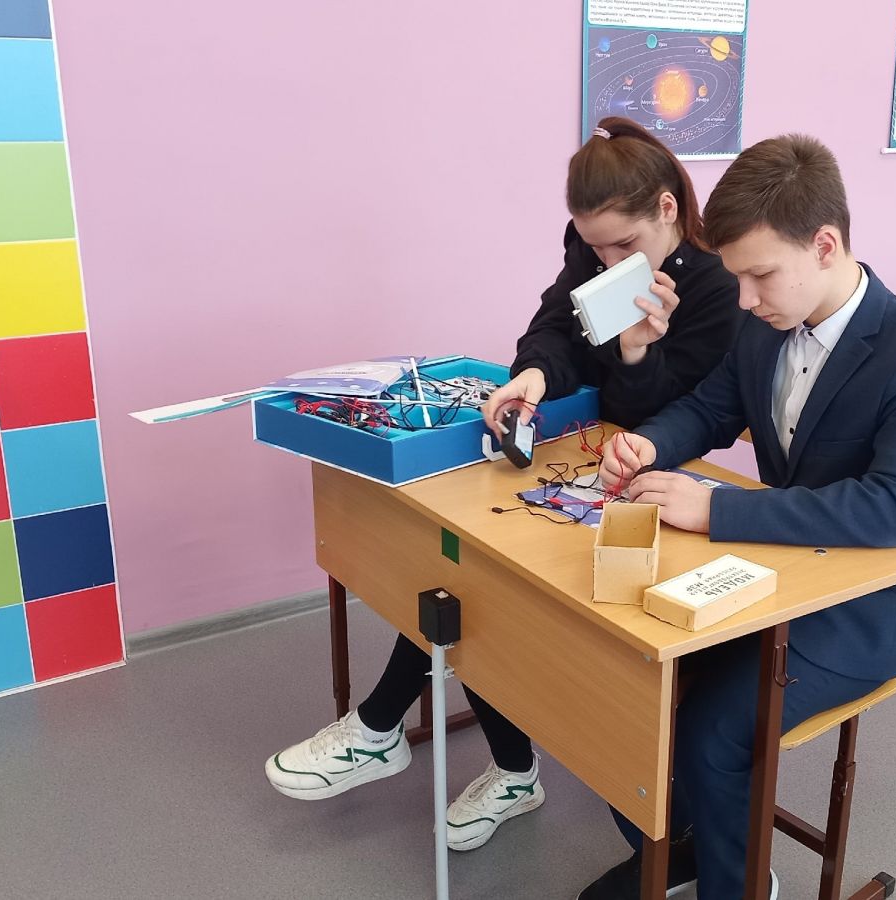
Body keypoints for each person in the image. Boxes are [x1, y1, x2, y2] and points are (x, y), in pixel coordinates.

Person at [266, 116, 744, 855]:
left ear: (667, 209)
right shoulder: (593, 249)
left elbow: (685, 418)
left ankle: (397, 732)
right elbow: (556, 323)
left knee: (478, 586)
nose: (606, 261)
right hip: (585, 452)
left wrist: (635, 354)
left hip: (657, 473)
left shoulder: (714, 287)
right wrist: (534, 375)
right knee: (464, 566)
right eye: (593, 247)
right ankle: (476, 758)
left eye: (623, 245)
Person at [581, 134, 896, 899]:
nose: (745, 298)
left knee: (711, 727)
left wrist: (717, 507)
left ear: (824, 245)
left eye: (759, 275)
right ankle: (687, 841)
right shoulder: (763, 327)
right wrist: (650, 443)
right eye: (737, 277)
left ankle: (739, 880)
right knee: (620, 675)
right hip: (773, 571)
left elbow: (894, 507)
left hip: (866, 603)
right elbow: (708, 409)